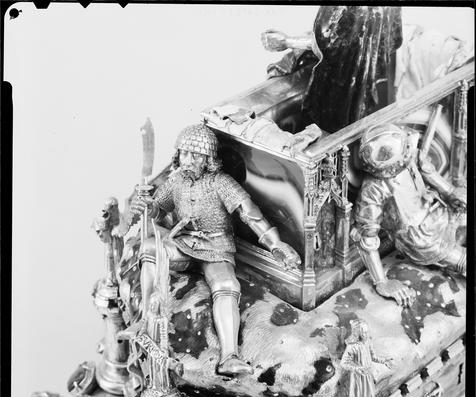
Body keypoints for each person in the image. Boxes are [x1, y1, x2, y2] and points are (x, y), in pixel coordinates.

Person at [127, 123, 301, 376]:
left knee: (227, 285)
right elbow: (159, 210)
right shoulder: (176, 181)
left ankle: (229, 356)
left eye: (195, 155)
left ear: (208, 159)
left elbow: (250, 214)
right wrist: (147, 207)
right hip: (183, 242)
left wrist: (276, 245)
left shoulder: (222, 183)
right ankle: (144, 322)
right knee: (149, 248)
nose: (188, 160)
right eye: (184, 153)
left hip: (216, 248)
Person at [352, 123, 466, 307]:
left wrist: (452, 193)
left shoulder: (407, 152)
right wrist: (382, 282)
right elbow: (366, 238)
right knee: (464, 261)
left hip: (439, 211)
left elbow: (429, 173)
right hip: (421, 239)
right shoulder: (373, 189)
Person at [262, 6, 403, 133]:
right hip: (373, 84)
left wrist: (286, 41)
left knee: (331, 133)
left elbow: (327, 42)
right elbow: (395, 40)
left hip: (338, 91)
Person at [341, 320, 392, 397]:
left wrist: (384, 361)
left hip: (367, 374)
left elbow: (373, 356)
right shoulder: (352, 346)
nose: (366, 334)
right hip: (357, 376)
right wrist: (356, 368)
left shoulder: (368, 342)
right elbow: (344, 363)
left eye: (367, 331)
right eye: (364, 332)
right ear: (358, 333)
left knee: (370, 395)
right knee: (358, 396)